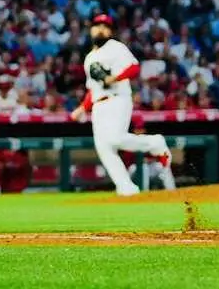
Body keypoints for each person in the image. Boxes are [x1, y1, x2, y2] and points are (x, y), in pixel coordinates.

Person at [70, 14, 173, 196]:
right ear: (91, 29)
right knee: (104, 148)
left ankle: (156, 143)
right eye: (97, 25)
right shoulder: (90, 58)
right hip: (98, 105)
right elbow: (92, 89)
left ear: (110, 31)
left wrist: (115, 77)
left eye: (105, 26)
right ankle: (126, 188)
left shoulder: (116, 48)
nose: (101, 28)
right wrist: (82, 108)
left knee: (115, 139)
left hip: (117, 98)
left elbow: (134, 67)